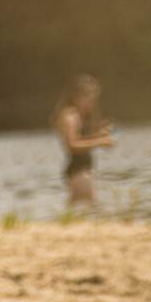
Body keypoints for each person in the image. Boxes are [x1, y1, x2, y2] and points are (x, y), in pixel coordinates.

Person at [52, 73, 114, 207]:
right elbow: (73, 144)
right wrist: (100, 141)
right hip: (78, 171)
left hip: (83, 170)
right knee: (89, 208)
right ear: (77, 97)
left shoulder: (76, 116)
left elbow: (81, 139)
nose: (92, 102)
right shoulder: (70, 116)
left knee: (80, 209)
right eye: (90, 97)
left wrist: (99, 134)